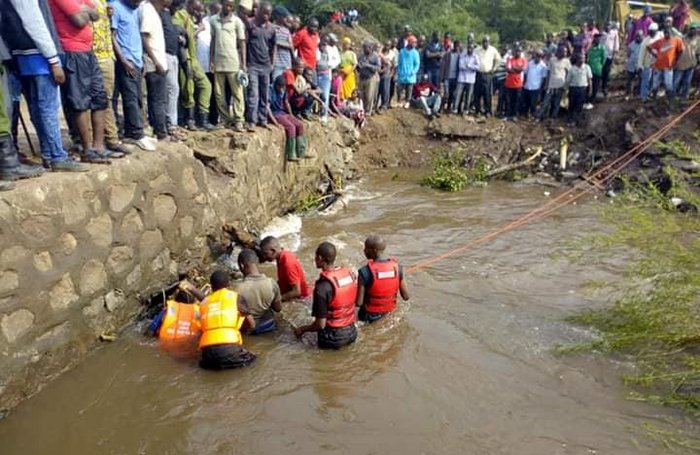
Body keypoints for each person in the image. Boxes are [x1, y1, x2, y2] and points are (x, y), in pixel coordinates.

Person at [48, 0, 117, 163]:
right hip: (72, 51)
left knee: (99, 98)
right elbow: (79, 21)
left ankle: (98, 147)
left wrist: (83, 10)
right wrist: (86, 11)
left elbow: (96, 15)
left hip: (88, 50)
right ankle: (87, 150)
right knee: (80, 102)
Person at [112, 0, 158, 151]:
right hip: (127, 60)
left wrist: (142, 59)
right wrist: (123, 60)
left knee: (138, 97)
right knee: (130, 98)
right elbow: (112, 36)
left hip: (137, 60)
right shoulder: (116, 7)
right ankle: (136, 134)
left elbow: (137, 36)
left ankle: (133, 131)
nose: (138, 3)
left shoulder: (135, 10)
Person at [294, 241, 357, 350]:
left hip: (333, 338)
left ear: (320, 258)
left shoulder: (322, 287)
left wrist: (302, 329)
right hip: (352, 332)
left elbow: (320, 325)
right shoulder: (349, 274)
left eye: (315, 257)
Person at [198, 270, 256, 370]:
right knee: (255, 358)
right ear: (228, 284)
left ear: (211, 287)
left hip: (208, 355)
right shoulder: (236, 297)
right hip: (231, 350)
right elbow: (252, 324)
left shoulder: (203, 303)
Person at [93, 0, 130, 155]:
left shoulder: (104, 3)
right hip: (93, 54)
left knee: (105, 99)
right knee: (98, 101)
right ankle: (106, 141)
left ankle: (111, 139)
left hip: (106, 55)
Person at [172, 0, 214, 130]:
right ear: (189, 5)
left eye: (199, 10)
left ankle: (202, 118)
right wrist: (198, 30)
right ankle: (190, 120)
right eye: (195, 9)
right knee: (188, 89)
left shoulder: (190, 18)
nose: (197, 12)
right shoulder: (180, 16)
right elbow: (181, 39)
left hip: (193, 58)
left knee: (205, 86)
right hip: (186, 58)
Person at [209, 0, 246, 131]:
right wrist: (211, 60)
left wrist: (243, 63)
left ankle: (239, 120)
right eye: (226, 5)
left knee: (237, 93)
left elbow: (242, 43)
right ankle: (224, 119)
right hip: (218, 62)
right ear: (222, 5)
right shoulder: (213, 20)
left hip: (233, 62)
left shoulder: (237, 21)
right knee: (219, 93)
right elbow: (213, 41)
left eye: (231, 6)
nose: (228, 8)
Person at [355, 236, 409, 323]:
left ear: (374, 250)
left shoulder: (364, 271)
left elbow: (359, 303)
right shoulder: (398, 268)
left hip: (368, 315)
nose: (364, 251)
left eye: (366, 249)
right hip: (389, 312)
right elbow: (406, 297)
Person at [234, 248, 281, 335]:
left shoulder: (238, 289)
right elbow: (278, 309)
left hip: (249, 331)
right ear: (257, 261)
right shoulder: (271, 283)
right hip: (269, 326)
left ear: (241, 265)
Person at [141, 0, 169, 141]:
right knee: (158, 100)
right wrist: (156, 61)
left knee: (157, 99)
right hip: (154, 65)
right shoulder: (147, 10)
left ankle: (158, 130)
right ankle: (161, 133)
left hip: (158, 63)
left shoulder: (154, 11)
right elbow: (144, 37)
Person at [244, 2, 274, 132]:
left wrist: (272, 63)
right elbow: (244, 43)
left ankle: (263, 119)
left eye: (268, 14)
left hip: (266, 65)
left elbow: (274, 46)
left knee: (264, 94)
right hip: (253, 65)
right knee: (253, 94)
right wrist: (244, 63)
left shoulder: (271, 28)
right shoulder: (250, 25)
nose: (266, 16)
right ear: (259, 11)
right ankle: (252, 120)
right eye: (264, 13)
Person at [268, 74, 309, 161]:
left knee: (300, 125)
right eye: (280, 87)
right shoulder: (270, 90)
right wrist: (275, 122)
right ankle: (291, 154)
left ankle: (301, 152)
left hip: (282, 112)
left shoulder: (284, 90)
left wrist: (291, 115)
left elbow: (286, 102)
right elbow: (267, 107)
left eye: (283, 87)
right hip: (275, 113)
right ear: (276, 85)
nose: (282, 89)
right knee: (291, 127)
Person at [260, 236, 310, 302]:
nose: (264, 257)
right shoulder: (282, 256)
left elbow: (297, 292)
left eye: (265, 254)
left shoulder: (288, 264)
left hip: (302, 299)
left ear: (273, 251)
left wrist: (276, 301)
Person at [160, 0, 184, 137]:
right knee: (172, 89)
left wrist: (178, 36)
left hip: (173, 55)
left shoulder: (169, 15)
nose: (178, 9)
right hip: (166, 55)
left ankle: (171, 123)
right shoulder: (162, 14)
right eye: (177, 6)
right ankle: (171, 124)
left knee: (172, 89)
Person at [649, 26, 685, 101]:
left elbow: (681, 51)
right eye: (665, 33)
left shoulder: (676, 40)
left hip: (669, 66)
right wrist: (655, 55)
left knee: (668, 83)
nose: (667, 34)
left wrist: (676, 61)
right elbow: (649, 47)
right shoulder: (660, 41)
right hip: (658, 65)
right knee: (655, 83)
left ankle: (670, 100)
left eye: (668, 33)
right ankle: (654, 98)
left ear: (671, 33)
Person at [537, 46, 570, 121]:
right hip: (551, 85)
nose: (565, 53)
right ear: (558, 52)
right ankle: (540, 116)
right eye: (563, 51)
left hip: (560, 85)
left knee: (556, 103)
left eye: (566, 52)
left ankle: (553, 118)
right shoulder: (552, 60)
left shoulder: (567, 61)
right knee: (545, 102)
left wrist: (566, 86)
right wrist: (546, 84)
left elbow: (568, 74)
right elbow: (548, 72)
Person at [474, 35, 501, 117]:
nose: (485, 43)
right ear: (482, 42)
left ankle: (488, 111)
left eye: (487, 41)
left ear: (489, 42)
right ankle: (477, 110)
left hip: (487, 75)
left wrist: (494, 69)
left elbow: (498, 60)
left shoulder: (493, 50)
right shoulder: (477, 50)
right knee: (477, 93)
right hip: (478, 74)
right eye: (484, 41)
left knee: (487, 93)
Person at [674, 24, 699, 100]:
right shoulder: (682, 38)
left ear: (696, 31)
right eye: (691, 29)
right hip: (680, 64)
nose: (692, 31)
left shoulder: (698, 40)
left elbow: (698, 53)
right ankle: (671, 96)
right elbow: (676, 50)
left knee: (687, 82)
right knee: (676, 81)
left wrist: (698, 62)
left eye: (694, 29)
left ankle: (684, 97)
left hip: (691, 64)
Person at [565, 53, 591, 127]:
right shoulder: (572, 69)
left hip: (582, 89)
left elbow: (589, 80)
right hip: (573, 89)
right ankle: (570, 119)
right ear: (577, 59)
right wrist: (566, 90)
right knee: (571, 105)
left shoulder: (587, 67)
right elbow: (568, 81)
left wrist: (590, 90)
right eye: (580, 58)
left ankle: (576, 120)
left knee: (579, 105)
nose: (582, 60)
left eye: (583, 58)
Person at [453, 42, 479, 115]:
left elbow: (477, 67)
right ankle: (455, 109)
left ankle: (466, 110)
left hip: (471, 80)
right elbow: (461, 66)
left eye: (471, 48)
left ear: (473, 49)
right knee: (458, 94)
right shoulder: (462, 55)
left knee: (468, 95)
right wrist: (471, 67)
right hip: (461, 78)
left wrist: (469, 66)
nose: (470, 49)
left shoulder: (476, 56)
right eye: (469, 48)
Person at [637, 22, 661, 102]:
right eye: (650, 31)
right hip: (647, 64)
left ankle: (650, 94)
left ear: (656, 31)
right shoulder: (646, 41)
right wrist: (640, 66)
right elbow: (641, 54)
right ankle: (643, 97)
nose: (651, 33)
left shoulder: (660, 37)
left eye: (653, 31)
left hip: (657, 64)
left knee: (654, 81)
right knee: (645, 81)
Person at [357, 41, 380, 116]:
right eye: (363, 48)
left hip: (370, 77)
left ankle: (368, 111)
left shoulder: (375, 56)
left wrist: (368, 65)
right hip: (361, 77)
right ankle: (361, 109)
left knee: (369, 95)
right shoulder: (361, 55)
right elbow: (357, 63)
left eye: (365, 48)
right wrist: (359, 66)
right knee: (360, 94)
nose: (364, 49)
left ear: (370, 48)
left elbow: (378, 67)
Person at [503, 45, 526, 121]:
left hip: (518, 84)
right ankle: (507, 115)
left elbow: (521, 69)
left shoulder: (523, 60)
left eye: (519, 51)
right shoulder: (509, 59)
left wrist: (514, 68)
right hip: (509, 84)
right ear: (514, 52)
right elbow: (508, 69)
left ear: (521, 52)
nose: (517, 53)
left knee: (517, 101)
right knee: (508, 100)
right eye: (516, 51)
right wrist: (516, 69)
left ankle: (514, 115)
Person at [397, 36, 420, 109]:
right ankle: (400, 101)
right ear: (409, 42)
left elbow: (417, 64)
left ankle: (407, 101)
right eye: (413, 43)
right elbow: (399, 62)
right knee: (400, 89)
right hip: (402, 73)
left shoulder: (415, 53)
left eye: (415, 43)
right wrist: (399, 71)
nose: (415, 44)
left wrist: (414, 71)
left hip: (410, 75)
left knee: (409, 89)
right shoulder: (402, 51)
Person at [272, 5, 293, 79]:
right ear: (278, 17)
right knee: (276, 82)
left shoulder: (286, 30)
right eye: (284, 17)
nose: (286, 19)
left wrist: (278, 42)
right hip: (276, 64)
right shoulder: (271, 28)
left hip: (287, 63)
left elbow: (291, 45)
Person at [440, 40, 460, 113]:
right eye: (456, 46)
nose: (457, 48)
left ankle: (448, 108)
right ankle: (441, 107)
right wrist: (442, 77)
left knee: (452, 94)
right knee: (446, 94)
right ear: (453, 46)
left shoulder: (459, 56)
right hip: (447, 77)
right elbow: (443, 66)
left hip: (455, 78)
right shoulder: (447, 54)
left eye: (458, 46)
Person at [316, 35, 333, 122]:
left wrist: (328, 65)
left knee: (325, 96)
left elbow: (333, 62)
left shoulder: (329, 50)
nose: (325, 44)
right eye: (324, 41)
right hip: (315, 74)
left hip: (325, 76)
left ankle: (324, 114)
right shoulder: (316, 49)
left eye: (327, 42)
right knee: (314, 94)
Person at [586, 34, 606, 107]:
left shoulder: (602, 48)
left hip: (597, 69)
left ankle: (592, 101)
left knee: (595, 86)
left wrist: (599, 66)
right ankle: (586, 100)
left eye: (598, 39)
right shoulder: (590, 48)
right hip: (589, 69)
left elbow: (603, 59)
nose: (597, 40)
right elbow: (588, 57)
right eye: (596, 39)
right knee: (588, 86)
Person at [601, 22, 619, 97]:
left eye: (609, 25)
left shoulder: (614, 33)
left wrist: (615, 53)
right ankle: (601, 86)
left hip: (609, 55)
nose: (608, 27)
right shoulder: (602, 34)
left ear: (611, 26)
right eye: (606, 25)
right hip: (601, 56)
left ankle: (604, 87)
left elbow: (616, 44)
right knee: (602, 71)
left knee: (607, 71)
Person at [625, 30, 644, 99]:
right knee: (630, 80)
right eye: (637, 36)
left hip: (641, 65)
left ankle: (639, 93)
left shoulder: (644, 44)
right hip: (632, 65)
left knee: (641, 79)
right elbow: (628, 54)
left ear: (642, 36)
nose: (638, 38)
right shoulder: (631, 44)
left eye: (639, 36)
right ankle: (629, 94)